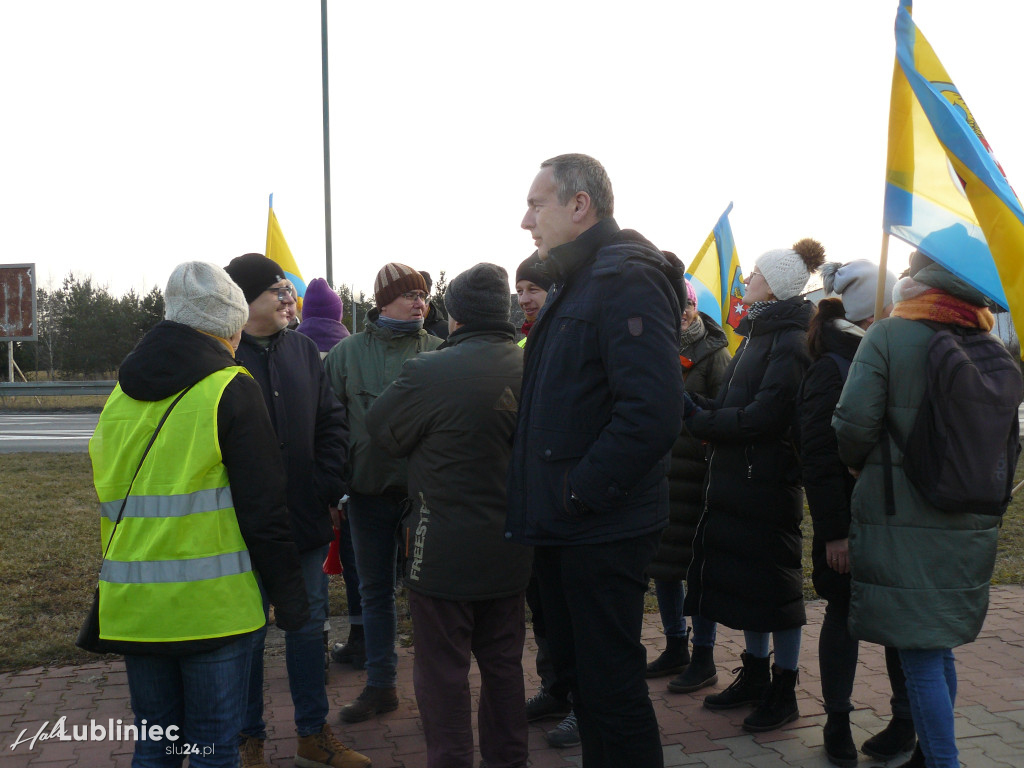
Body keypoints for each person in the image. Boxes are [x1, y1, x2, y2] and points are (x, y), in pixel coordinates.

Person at [89, 261, 311, 768]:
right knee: (213, 744)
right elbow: (264, 511)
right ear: (228, 327)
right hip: (213, 606)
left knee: (157, 745)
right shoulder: (230, 387)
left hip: (134, 606)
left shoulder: (120, 395)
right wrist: (291, 600)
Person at [507, 153, 685, 768]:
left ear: (579, 204)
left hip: (600, 526)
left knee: (611, 689)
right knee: (587, 683)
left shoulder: (623, 278)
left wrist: (579, 492)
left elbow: (654, 411)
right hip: (570, 525)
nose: (526, 220)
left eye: (536, 203)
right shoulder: (578, 281)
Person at [833, 252, 1010, 768]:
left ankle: (942, 761)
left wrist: (853, 463)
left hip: (902, 514)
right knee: (936, 646)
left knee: (920, 656)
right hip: (970, 515)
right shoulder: (987, 340)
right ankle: (932, 754)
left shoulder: (889, 334)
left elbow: (851, 424)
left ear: (918, 278)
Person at [366, 263, 532, 768]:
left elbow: (382, 429)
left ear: (454, 316)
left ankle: (452, 758)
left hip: (439, 548)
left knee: (442, 671)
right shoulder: (533, 366)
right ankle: (508, 759)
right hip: (512, 544)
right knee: (504, 664)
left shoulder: (428, 370)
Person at [224, 254, 367, 768]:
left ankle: (313, 733)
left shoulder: (304, 349)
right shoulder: (223, 360)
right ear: (243, 302)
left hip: (303, 522)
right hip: (239, 528)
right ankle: (248, 740)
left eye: (289, 289)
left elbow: (332, 422)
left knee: (306, 629)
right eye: (277, 291)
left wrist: (326, 483)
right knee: (247, 635)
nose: (290, 299)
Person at [683, 238, 826, 733]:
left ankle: (783, 690)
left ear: (779, 285)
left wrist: (702, 422)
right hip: (741, 479)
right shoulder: (758, 335)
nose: (747, 281)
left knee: (776, 590)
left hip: (767, 483)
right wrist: (701, 412)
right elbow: (731, 400)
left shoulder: (789, 341)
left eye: (756, 275)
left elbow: (766, 416)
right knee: (750, 585)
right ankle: (757, 675)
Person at [798, 261, 914, 767]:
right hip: (847, 525)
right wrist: (835, 534)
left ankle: (903, 722)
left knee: (894, 622)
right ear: (872, 310)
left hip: (888, 521)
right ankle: (837, 721)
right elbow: (819, 460)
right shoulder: (833, 366)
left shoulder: (886, 353)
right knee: (843, 617)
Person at [324, 263, 443, 723]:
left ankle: (435, 690)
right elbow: (330, 427)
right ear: (382, 302)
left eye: (423, 294)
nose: (419, 302)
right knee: (374, 594)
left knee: (428, 596)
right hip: (368, 496)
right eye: (409, 294)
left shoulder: (439, 351)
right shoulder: (347, 354)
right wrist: (335, 490)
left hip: (425, 502)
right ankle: (380, 686)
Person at [648, 277, 730, 695]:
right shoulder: (651, 346)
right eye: (674, 305)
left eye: (687, 306)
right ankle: (675, 644)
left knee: (698, 571)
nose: (681, 313)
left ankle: (704, 655)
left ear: (696, 309)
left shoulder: (715, 355)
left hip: (696, 476)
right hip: (658, 475)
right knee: (663, 568)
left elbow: (724, 413)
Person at [293, 277, 364, 669]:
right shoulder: (351, 348)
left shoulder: (293, 349)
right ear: (338, 313)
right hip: (353, 473)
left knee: (314, 571)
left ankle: (315, 649)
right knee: (358, 566)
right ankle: (361, 639)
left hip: (309, 480)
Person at [515, 252, 552, 348]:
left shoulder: (564, 342)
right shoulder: (523, 345)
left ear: (553, 292)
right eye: (520, 291)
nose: (523, 300)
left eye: (532, 289)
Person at [419, 270, 450, 339]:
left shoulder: (447, 332)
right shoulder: (396, 329)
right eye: (410, 296)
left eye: (422, 297)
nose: (417, 303)